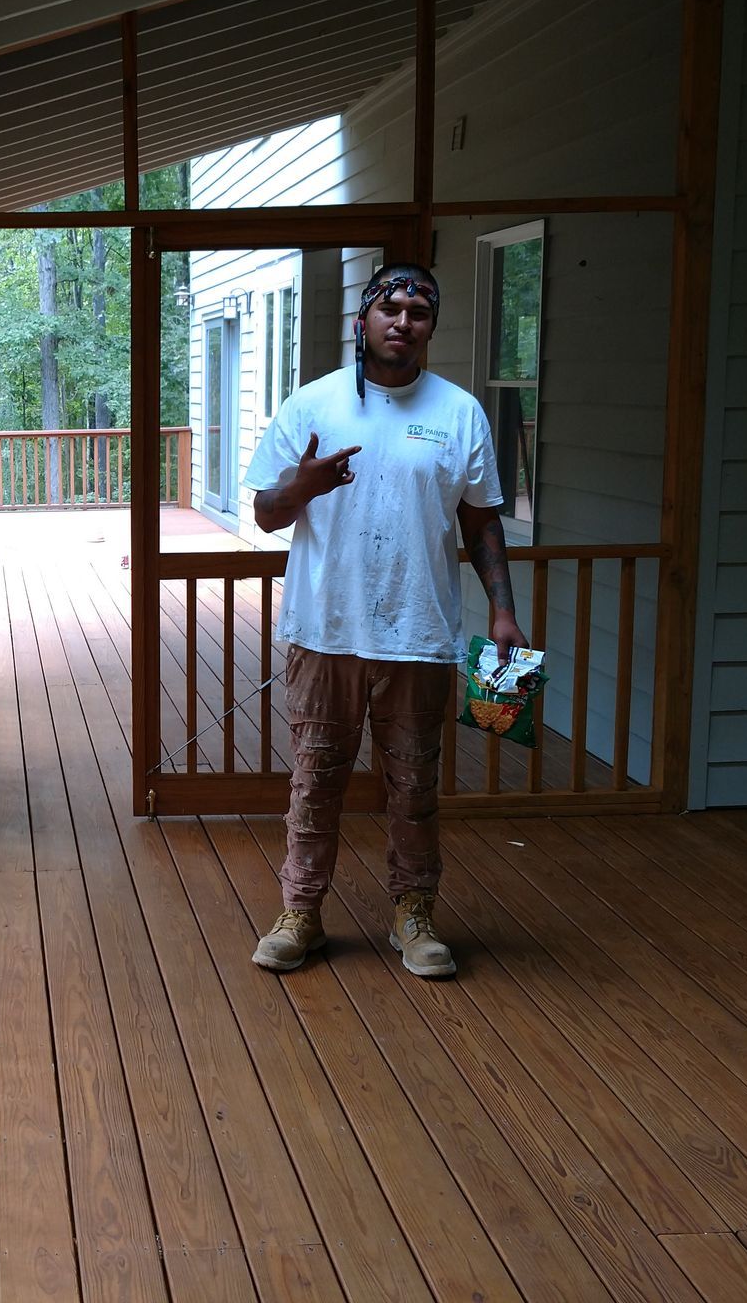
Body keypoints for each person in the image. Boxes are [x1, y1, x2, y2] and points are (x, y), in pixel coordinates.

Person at [243, 261, 526, 977]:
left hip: (419, 634)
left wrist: (502, 609)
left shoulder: (459, 412)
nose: (404, 321)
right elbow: (265, 514)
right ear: (361, 320)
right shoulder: (312, 405)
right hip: (324, 629)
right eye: (391, 307)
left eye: (420, 312)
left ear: (432, 326)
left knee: (415, 786)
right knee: (316, 782)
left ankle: (413, 915)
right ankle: (300, 913)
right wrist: (299, 486)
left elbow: (482, 520)